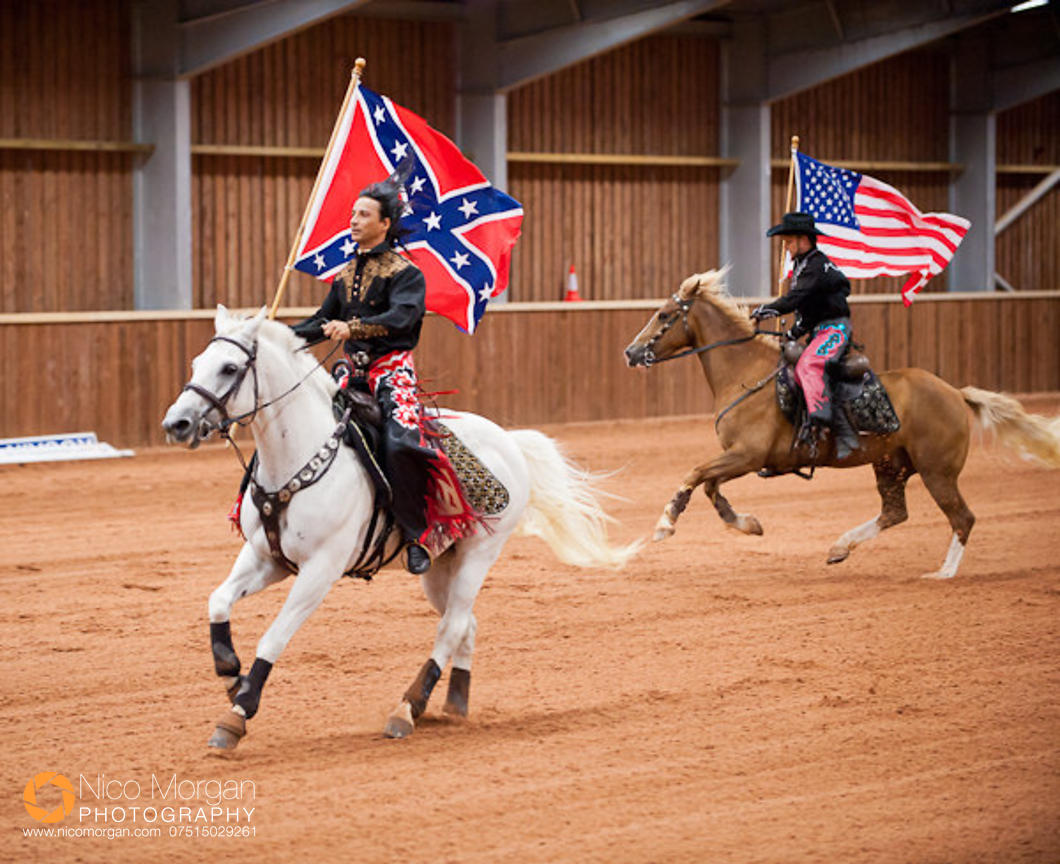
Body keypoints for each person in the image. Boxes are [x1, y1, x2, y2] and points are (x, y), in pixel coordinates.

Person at [291, 168, 468, 575]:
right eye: (352, 214)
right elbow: (322, 320)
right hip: (348, 373)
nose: (353, 220)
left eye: (363, 215)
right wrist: (274, 337)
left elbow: (402, 318)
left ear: (385, 224)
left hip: (391, 373)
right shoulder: (346, 274)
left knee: (401, 442)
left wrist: (352, 328)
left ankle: (415, 533)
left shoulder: (406, 273)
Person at [750, 211, 859, 460]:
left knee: (810, 365)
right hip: (820, 330)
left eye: (788, 242)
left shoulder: (816, 265)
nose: (786, 248)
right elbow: (808, 309)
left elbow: (795, 299)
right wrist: (792, 332)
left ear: (803, 239)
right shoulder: (804, 265)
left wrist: (762, 312)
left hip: (836, 329)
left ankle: (828, 427)